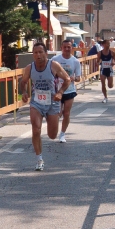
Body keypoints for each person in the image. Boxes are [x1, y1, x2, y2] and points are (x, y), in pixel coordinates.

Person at [20, 42, 70, 170]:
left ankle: (53, 119)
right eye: (35, 53)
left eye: (41, 52)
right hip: (36, 102)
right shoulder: (29, 68)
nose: (38, 55)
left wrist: (60, 92)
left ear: (46, 54)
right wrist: (24, 92)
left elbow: (67, 79)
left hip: (52, 102)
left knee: (52, 135)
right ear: (33, 55)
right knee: (36, 130)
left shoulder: (53, 65)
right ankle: (39, 159)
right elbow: (23, 81)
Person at [52, 39, 81, 143]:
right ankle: (53, 131)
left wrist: (72, 78)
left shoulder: (75, 61)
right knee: (57, 113)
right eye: (65, 47)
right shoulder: (55, 59)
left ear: (72, 48)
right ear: (61, 48)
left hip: (69, 90)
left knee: (66, 113)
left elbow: (78, 78)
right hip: (57, 90)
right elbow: (50, 73)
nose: (67, 49)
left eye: (69, 47)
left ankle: (62, 134)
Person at [97, 39, 115, 103]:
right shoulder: (100, 53)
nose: (108, 45)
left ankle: (111, 83)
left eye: (109, 44)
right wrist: (98, 63)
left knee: (110, 86)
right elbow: (97, 61)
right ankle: (105, 97)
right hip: (103, 70)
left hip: (109, 70)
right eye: (107, 44)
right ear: (103, 45)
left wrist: (113, 63)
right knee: (103, 83)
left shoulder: (112, 53)